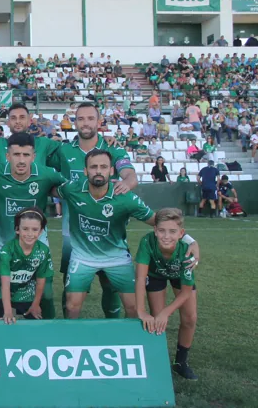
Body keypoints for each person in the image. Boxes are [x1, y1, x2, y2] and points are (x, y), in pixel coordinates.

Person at [57, 150, 198, 319]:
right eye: (93, 167)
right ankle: (73, 343)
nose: (98, 171)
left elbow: (157, 221)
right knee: (71, 306)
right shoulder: (72, 189)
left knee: (133, 308)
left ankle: (126, 343)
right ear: (86, 171)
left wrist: (190, 240)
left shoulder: (125, 197)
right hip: (82, 256)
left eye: (103, 167)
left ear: (111, 171)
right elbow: (48, 189)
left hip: (116, 257)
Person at [49, 102, 138, 319]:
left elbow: (130, 175)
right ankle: (69, 332)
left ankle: (114, 327)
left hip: (109, 231)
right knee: (70, 282)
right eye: (80, 119)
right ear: (75, 122)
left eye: (90, 118)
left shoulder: (113, 148)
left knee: (110, 283)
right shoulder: (64, 150)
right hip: (75, 233)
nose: (85, 123)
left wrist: (126, 183)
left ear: (98, 122)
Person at [0, 132, 65, 319]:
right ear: (7, 156)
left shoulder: (46, 175)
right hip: (0, 242)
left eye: (26, 155)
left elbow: (70, 191)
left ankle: (49, 330)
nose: (21, 160)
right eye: (16, 155)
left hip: (37, 242)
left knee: (45, 290)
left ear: (34, 156)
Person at [135, 208, 198, 380]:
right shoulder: (147, 242)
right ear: (155, 230)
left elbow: (185, 292)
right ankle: (158, 362)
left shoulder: (186, 252)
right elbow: (141, 278)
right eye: (161, 230)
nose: (166, 236)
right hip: (155, 275)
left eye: (172, 231)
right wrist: (141, 311)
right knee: (157, 320)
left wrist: (166, 312)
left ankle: (181, 363)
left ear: (181, 233)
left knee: (190, 318)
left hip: (179, 276)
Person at [0, 207, 54, 324]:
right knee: (5, 322)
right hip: (4, 292)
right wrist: (7, 311)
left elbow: (41, 280)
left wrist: (35, 304)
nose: (30, 234)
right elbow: (5, 283)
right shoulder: (7, 250)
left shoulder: (43, 251)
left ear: (41, 231)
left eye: (34, 229)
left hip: (27, 293)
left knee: (40, 321)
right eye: (25, 229)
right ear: (17, 230)